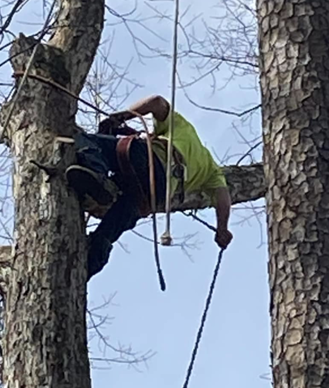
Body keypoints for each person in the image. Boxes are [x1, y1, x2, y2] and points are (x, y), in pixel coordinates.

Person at [66, 94, 233, 278]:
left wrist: (120, 117)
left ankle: (97, 175)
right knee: (108, 232)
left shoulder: (181, 127)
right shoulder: (211, 169)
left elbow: (156, 102)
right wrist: (222, 229)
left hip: (151, 162)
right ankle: (87, 267)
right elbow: (223, 197)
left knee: (87, 140)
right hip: (154, 194)